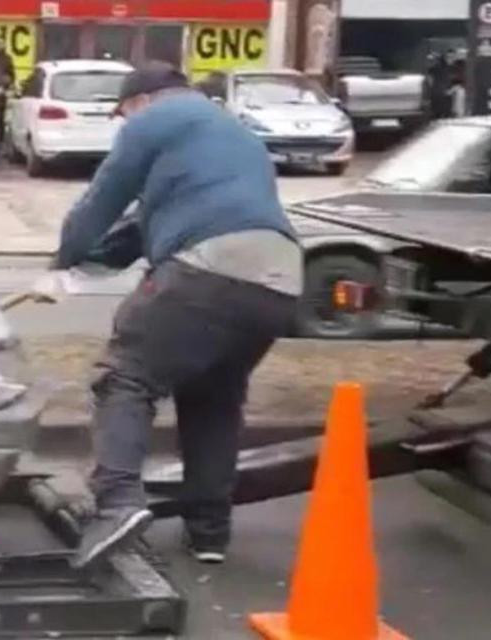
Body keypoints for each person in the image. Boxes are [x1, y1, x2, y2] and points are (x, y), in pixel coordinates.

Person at [39, 62, 301, 569]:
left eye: (122, 114)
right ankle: (209, 533)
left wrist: (60, 261)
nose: (122, 125)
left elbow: (101, 200)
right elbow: (138, 229)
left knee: (124, 377)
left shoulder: (154, 120)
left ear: (141, 101)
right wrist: (86, 265)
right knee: (213, 400)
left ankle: (117, 505)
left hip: (208, 267)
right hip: (279, 279)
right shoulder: (230, 131)